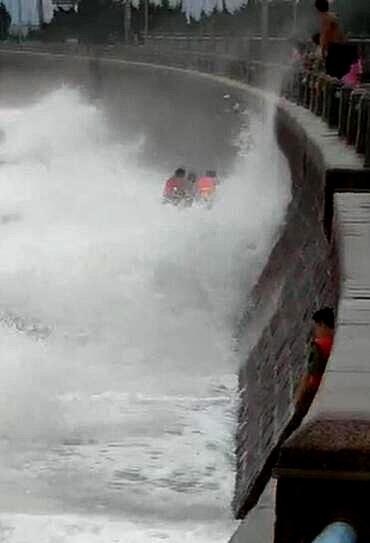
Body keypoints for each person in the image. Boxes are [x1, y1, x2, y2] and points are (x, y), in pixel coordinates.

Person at [294, 307, 335, 416]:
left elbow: (309, 374)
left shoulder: (319, 346)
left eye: (316, 327)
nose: (316, 331)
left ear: (322, 325)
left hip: (314, 392)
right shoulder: (334, 341)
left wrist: (298, 398)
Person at [314, 0, 357, 80]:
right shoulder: (333, 16)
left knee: (332, 76)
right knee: (339, 75)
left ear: (318, 9)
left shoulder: (325, 18)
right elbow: (340, 33)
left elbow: (325, 34)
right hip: (339, 47)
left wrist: (323, 50)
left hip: (333, 49)